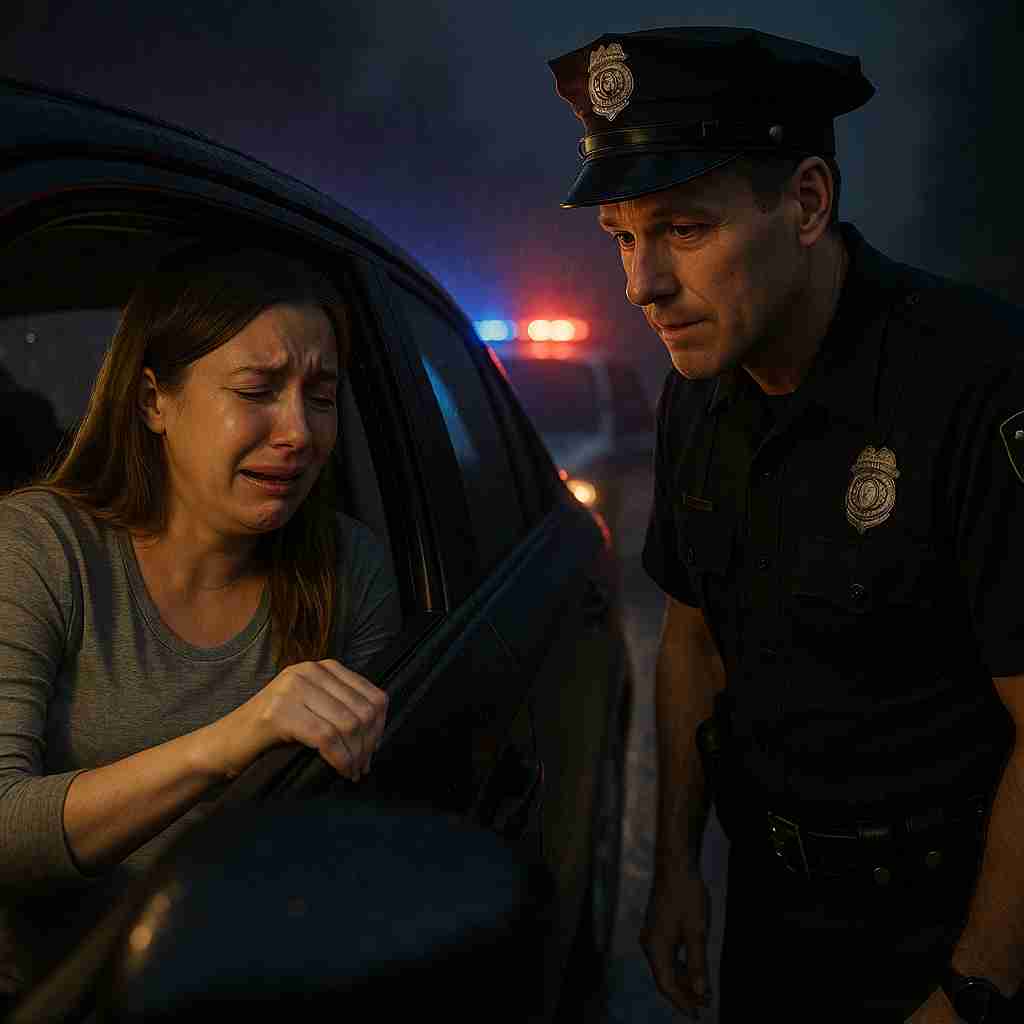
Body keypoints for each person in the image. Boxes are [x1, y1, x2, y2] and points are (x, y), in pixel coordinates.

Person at [548, 26, 1024, 1024]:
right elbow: (691, 638)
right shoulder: (695, 396)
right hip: (772, 916)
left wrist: (976, 984)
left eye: (684, 229)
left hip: (947, 918)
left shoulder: (972, 381)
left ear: (806, 203)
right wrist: (675, 868)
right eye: (623, 238)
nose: (641, 284)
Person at [0, 243, 401, 1004]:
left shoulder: (350, 572)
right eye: (257, 390)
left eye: (321, 396)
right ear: (155, 401)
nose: (298, 431)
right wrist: (231, 740)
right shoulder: (40, 548)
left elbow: (356, 849)